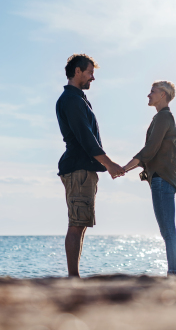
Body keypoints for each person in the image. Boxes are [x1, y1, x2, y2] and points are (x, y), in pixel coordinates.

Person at [56, 53, 125, 278]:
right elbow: (86, 138)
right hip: (78, 169)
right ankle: (73, 278)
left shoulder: (79, 99)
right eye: (90, 73)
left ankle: (74, 276)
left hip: (84, 169)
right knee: (76, 224)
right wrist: (110, 164)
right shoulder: (72, 100)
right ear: (77, 71)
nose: (92, 78)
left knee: (81, 223)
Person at [123, 80, 176, 277]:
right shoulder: (161, 118)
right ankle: (173, 273)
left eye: (152, 91)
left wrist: (124, 168)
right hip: (163, 179)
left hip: (162, 179)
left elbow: (150, 150)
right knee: (167, 231)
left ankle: (173, 274)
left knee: (168, 232)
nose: (148, 95)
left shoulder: (164, 117)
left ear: (163, 95)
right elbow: (151, 152)